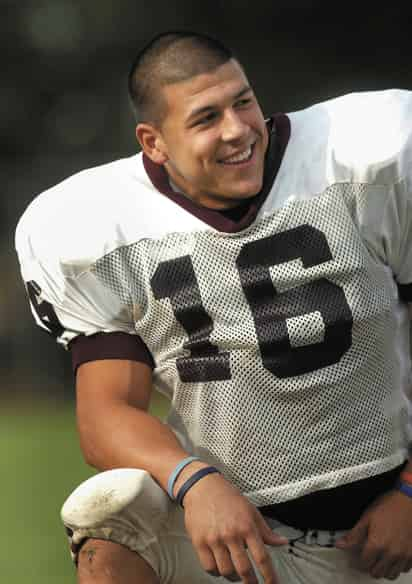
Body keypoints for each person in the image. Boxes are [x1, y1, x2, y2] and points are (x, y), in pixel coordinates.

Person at [15, 30, 412, 583]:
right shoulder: (99, 228)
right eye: (206, 119)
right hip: (241, 531)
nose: (238, 130)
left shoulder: (368, 158)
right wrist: (194, 481)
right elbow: (105, 413)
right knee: (110, 511)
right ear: (153, 142)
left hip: (391, 512)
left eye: (243, 101)